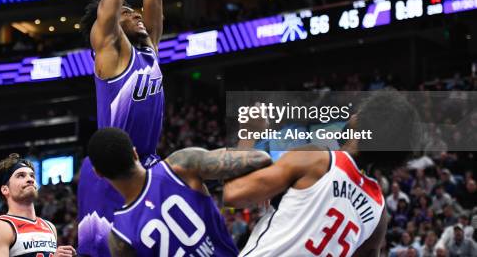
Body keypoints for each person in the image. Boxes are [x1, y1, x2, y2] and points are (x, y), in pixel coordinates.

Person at [77, 0, 166, 257]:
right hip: (107, 171)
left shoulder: (150, 48)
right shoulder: (111, 53)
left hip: (145, 166)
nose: (135, 12)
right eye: (126, 11)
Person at [224, 90, 421, 257]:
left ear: (359, 121)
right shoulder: (379, 214)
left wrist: (249, 132)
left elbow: (233, 194)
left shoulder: (317, 159)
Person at [87, 127, 272, 256]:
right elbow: (260, 158)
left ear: (99, 173)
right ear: (135, 153)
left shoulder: (120, 237)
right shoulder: (180, 165)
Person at [0, 154, 76, 257]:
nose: (30, 179)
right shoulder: (0, 228)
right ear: (5, 189)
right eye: (21, 175)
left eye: (32, 175)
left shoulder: (50, 227)